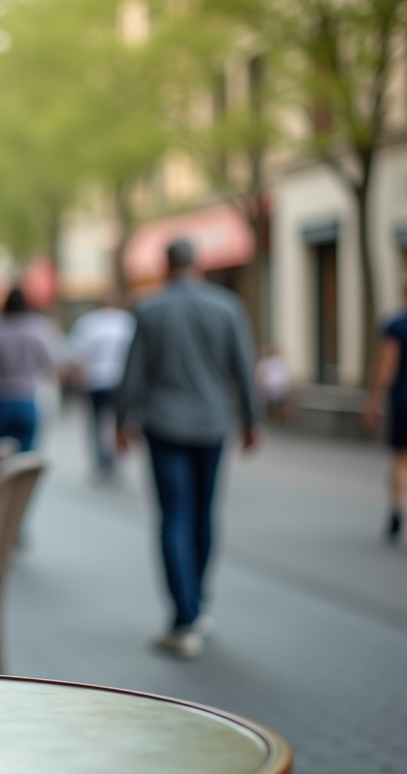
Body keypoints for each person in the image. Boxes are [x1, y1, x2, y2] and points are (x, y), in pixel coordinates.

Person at [115, 238, 260, 660]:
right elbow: (243, 368)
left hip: (163, 425)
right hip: (213, 425)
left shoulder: (149, 308)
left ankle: (183, 618)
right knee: (204, 513)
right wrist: (253, 421)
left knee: (173, 516)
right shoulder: (227, 306)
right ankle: (199, 605)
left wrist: (121, 420)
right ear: (198, 264)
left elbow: (134, 371)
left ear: (165, 264)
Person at [0, 286, 65, 452]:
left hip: (2, 398)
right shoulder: (39, 328)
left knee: (1, 458)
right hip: (28, 399)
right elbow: (54, 364)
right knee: (26, 459)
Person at [66, 294, 135, 480]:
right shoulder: (126, 322)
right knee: (117, 422)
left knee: (97, 423)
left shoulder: (88, 323)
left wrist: (77, 380)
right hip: (120, 381)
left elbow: (77, 355)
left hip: (95, 381)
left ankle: (102, 461)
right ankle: (113, 460)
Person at [362, 273, 407, 543]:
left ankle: (396, 509)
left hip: (403, 399)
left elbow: (387, 365)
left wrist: (374, 399)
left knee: (401, 458)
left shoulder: (396, 326)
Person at [255, 343, 292, 424]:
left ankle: (272, 417)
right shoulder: (279, 361)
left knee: (273, 403)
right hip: (277, 387)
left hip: (273, 388)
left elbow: (260, 375)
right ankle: (277, 418)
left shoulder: (266, 362)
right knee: (277, 403)